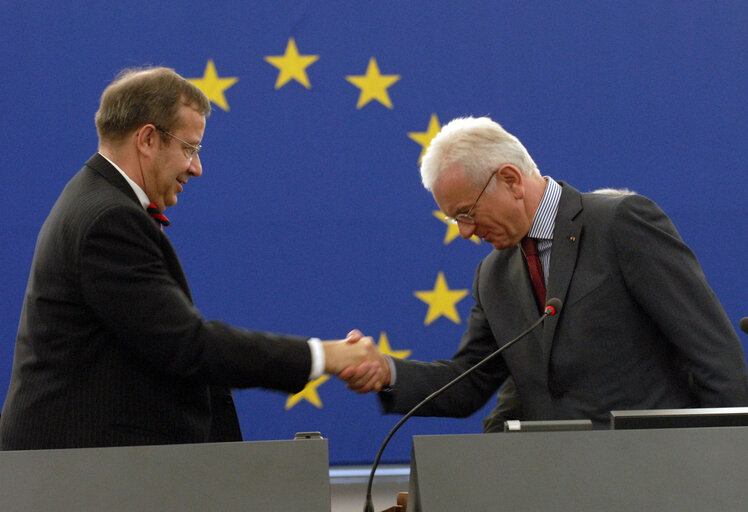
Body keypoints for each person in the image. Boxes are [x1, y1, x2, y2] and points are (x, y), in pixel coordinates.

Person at [0, 66, 381, 450]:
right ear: (148, 138)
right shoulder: (109, 219)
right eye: (189, 148)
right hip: (75, 477)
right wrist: (324, 355)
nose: (196, 168)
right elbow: (186, 344)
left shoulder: (96, 201)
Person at [340, 116, 748, 427]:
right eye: (453, 220)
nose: (465, 232)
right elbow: (466, 383)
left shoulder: (619, 224)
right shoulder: (493, 276)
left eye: (466, 212)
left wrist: (728, 462)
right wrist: (387, 371)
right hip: (557, 483)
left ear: (511, 179)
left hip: (657, 476)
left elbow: (713, 355)